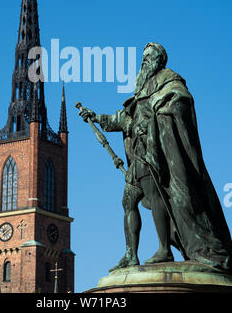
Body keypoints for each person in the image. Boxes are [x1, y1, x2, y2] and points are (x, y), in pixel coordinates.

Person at [79, 42, 232, 272]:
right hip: (138, 154)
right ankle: (131, 254)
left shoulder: (169, 82)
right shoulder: (141, 88)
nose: (144, 61)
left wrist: (154, 117)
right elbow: (122, 118)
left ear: (159, 60)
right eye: (142, 57)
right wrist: (97, 116)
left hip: (154, 154)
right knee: (128, 201)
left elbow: (180, 100)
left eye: (148, 57)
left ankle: (164, 249)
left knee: (156, 197)